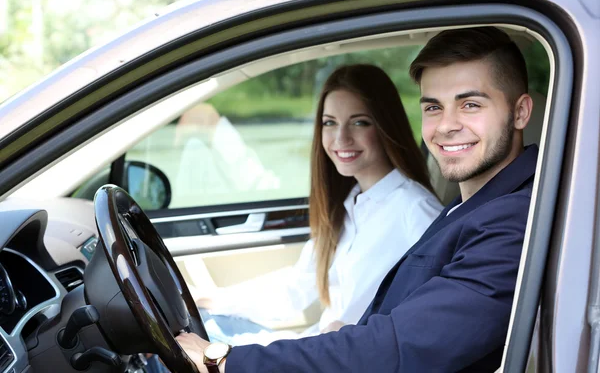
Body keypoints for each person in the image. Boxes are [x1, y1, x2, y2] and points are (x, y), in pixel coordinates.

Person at [175, 25, 538, 373]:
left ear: (520, 112)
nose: (446, 125)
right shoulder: (462, 210)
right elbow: (308, 292)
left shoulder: (512, 220)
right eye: (432, 107)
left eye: (470, 105)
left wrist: (223, 361)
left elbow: (397, 345)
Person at [191, 64, 443, 346]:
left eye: (359, 122)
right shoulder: (350, 204)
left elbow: (429, 315)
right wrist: (218, 298)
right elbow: (297, 289)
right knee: (202, 325)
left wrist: (354, 331)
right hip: (319, 347)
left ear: (386, 125)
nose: (341, 138)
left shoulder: (415, 209)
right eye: (330, 123)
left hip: (348, 355)